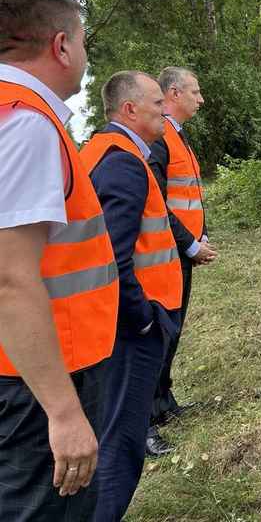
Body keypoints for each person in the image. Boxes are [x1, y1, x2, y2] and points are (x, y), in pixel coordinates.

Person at [0, 0, 119, 521]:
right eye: (83, 40)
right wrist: (64, 412)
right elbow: (9, 279)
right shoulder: (26, 124)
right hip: (38, 383)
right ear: (62, 45)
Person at [80, 71, 183, 521]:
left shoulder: (102, 152)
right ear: (130, 110)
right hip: (127, 331)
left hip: (111, 323)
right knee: (121, 442)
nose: (165, 111)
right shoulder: (122, 162)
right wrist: (142, 318)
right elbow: (113, 256)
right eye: (158, 103)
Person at [146, 66, 216, 453]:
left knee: (172, 331)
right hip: (163, 254)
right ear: (174, 93)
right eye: (195, 91)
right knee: (158, 335)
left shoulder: (176, 136)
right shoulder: (159, 138)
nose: (200, 99)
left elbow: (185, 196)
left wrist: (197, 235)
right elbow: (156, 200)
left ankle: (162, 402)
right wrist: (189, 243)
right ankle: (145, 421)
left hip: (179, 250)